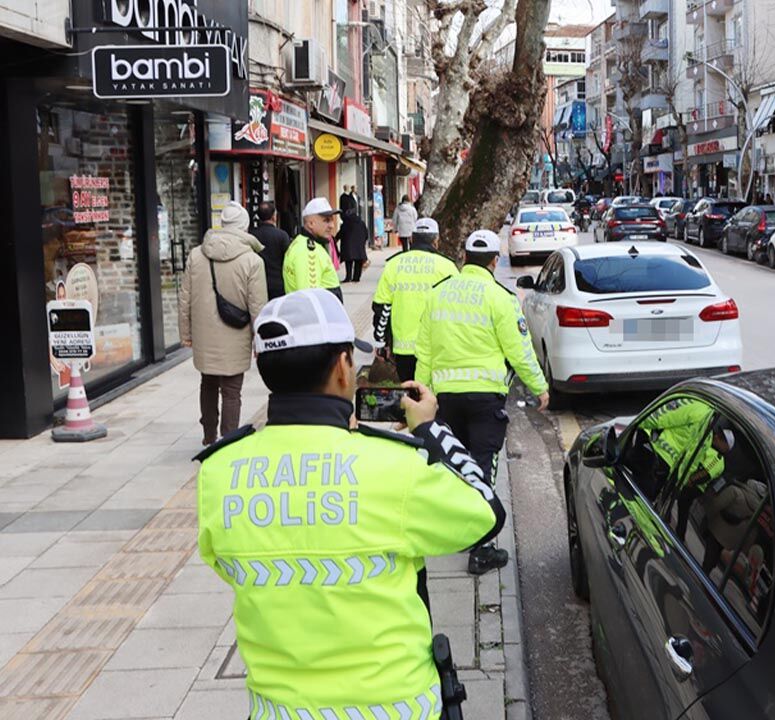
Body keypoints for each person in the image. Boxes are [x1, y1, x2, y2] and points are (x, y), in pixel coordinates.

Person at [195, 288, 503, 719]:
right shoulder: (393, 466)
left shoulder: (218, 471)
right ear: (342, 368)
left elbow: (226, 563)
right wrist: (431, 430)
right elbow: (486, 513)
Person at [415, 230, 549, 575]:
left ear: (464, 257)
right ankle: (483, 548)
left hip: (446, 398)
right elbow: (518, 351)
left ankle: (457, 530)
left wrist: (419, 394)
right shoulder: (500, 297)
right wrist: (540, 387)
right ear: (494, 260)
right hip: (485, 397)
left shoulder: (438, 294)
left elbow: (425, 351)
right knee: (483, 465)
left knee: (455, 465)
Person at [179, 201, 268, 446]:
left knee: (207, 383)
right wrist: (260, 342)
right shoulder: (252, 261)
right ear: (245, 226)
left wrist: (185, 332)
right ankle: (228, 442)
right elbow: (257, 306)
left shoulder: (197, 254)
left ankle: (208, 437)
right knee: (231, 391)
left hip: (203, 333)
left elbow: (184, 297)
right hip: (236, 333)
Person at [373, 217, 458, 382]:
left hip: (404, 350)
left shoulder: (393, 264)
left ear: (411, 239)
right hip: (438, 347)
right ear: (436, 241)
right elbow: (457, 309)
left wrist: (380, 341)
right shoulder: (448, 267)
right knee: (433, 396)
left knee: (411, 394)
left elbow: (382, 307)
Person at [283, 197, 343, 300]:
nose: (332, 226)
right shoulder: (308, 251)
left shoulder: (302, 243)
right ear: (311, 223)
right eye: (326, 220)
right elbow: (309, 299)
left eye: (332, 220)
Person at [250, 201, 292, 299]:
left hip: (257, 282)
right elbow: (288, 259)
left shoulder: (251, 235)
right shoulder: (282, 235)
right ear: (274, 217)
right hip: (279, 284)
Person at [335, 208, 369, 283]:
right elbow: (366, 234)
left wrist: (335, 239)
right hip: (359, 247)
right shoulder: (361, 222)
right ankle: (356, 277)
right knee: (358, 262)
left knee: (348, 262)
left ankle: (348, 277)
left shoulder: (346, 223)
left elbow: (341, 233)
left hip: (348, 246)